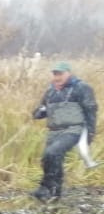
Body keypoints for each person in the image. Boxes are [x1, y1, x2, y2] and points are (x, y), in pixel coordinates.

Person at [31, 61, 97, 201]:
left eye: (60, 74)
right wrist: (38, 113)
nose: (57, 77)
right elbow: (41, 111)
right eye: (55, 74)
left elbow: (91, 110)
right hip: (54, 131)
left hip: (74, 129)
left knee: (52, 152)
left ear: (68, 73)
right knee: (48, 159)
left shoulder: (81, 88)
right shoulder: (50, 92)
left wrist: (90, 133)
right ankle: (54, 192)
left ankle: (47, 187)